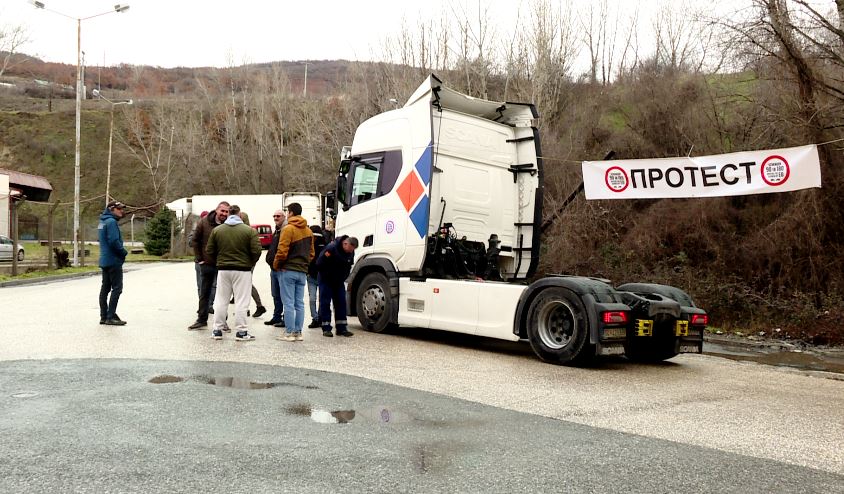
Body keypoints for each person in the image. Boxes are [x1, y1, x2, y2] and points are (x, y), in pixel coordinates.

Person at [206, 207, 262, 341]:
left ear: (228, 214)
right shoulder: (249, 231)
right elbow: (257, 251)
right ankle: (241, 332)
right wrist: (250, 262)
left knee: (221, 300)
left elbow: (209, 250)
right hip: (243, 270)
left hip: (223, 269)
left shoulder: (217, 230)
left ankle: (217, 330)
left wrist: (219, 261)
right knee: (241, 301)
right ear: (239, 215)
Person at [273, 202, 314, 342]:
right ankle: (298, 332)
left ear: (290, 213)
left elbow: (282, 250)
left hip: (288, 270)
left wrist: (277, 265)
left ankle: (289, 332)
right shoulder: (308, 231)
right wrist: (304, 265)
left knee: (288, 303)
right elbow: (311, 253)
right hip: (302, 271)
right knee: (299, 303)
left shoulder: (288, 229)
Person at [188, 201, 229, 331]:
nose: (224, 214)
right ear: (217, 210)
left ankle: (223, 321)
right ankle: (201, 319)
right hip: (207, 263)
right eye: (222, 211)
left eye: (226, 212)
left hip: (223, 264)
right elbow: (195, 240)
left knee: (223, 295)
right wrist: (199, 258)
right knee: (204, 292)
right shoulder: (204, 222)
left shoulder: (229, 224)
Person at [316, 235, 358, 337]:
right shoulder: (331, 248)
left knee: (341, 303)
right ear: (345, 243)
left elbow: (349, 266)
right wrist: (327, 275)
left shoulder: (350, 252)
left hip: (339, 281)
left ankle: (341, 328)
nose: (350, 251)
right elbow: (320, 263)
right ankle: (326, 328)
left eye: (352, 250)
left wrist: (343, 277)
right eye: (350, 249)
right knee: (325, 303)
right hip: (326, 280)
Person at [228, 205, 266, 318]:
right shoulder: (248, 231)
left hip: (246, 263)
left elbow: (255, 250)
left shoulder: (245, 232)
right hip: (247, 262)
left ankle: (255, 307)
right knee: (244, 285)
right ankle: (248, 307)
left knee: (246, 284)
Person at [98, 200, 129, 326]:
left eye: (122, 208)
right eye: (119, 209)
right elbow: (114, 241)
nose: (122, 211)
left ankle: (104, 316)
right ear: (111, 209)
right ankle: (110, 316)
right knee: (117, 288)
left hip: (104, 259)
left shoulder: (102, 222)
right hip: (113, 260)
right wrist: (123, 252)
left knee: (105, 288)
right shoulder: (111, 222)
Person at [264, 209, 286, 327]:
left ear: (284, 217)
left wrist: (281, 264)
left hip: (282, 269)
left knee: (284, 295)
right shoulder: (276, 231)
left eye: (278, 216)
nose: (276, 218)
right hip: (273, 269)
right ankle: (276, 316)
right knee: (275, 294)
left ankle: (286, 318)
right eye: (274, 216)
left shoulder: (286, 230)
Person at [307, 224, 327, 328]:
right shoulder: (308, 247)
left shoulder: (324, 247)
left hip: (321, 277)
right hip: (311, 277)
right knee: (313, 299)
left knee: (321, 299)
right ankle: (315, 318)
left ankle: (319, 318)